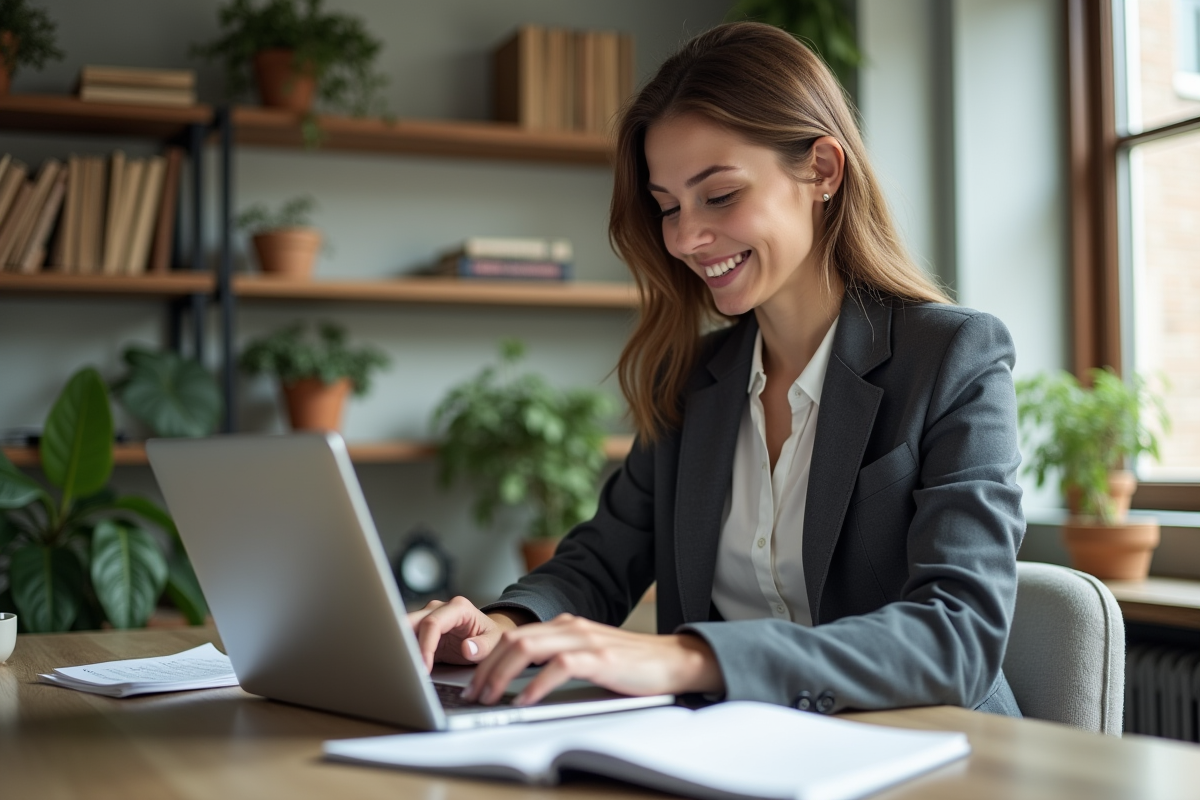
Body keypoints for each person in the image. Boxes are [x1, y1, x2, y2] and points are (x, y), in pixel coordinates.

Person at [409, 21, 1024, 717]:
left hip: (930, 748)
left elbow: (958, 637)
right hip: (731, 748)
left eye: (720, 195)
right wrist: (503, 626)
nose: (684, 237)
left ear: (822, 170)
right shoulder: (692, 380)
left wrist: (691, 658)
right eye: (667, 206)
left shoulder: (954, 357)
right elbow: (601, 561)